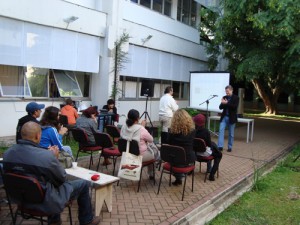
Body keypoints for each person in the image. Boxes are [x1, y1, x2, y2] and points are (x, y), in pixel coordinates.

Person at [3, 121, 101, 225]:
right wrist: (54, 159)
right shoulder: (45, 156)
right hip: (44, 200)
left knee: (47, 182)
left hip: (20, 198)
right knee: (83, 184)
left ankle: (54, 220)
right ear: (37, 136)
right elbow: (62, 178)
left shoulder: (8, 153)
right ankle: (87, 221)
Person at [120, 109, 159, 179]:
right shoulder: (141, 129)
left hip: (126, 153)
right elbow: (151, 139)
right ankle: (152, 174)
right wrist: (142, 126)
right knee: (154, 151)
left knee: (150, 150)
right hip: (138, 156)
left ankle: (151, 172)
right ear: (138, 118)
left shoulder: (123, 127)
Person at [167, 109, 195, 186]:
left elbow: (168, 142)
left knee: (177, 155)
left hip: (173, 158)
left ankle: (178, 177)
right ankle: (180, 175)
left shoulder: (171, 131)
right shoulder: (192, 132)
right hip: (187, 158)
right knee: (188, 152)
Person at [193, 113, 223, 181]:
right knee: (219, 154)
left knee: (213, 146)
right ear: (203, 123)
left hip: (195, 154)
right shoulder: (206, 132)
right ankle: (211, 175)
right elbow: (209, 145)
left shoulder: (192, 131)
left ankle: (209, 169)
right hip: (204, 154)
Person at [218, 85, 239, 152]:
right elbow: (220, 107)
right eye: (226, 91)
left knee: (231, 134)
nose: (226, 93)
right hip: (224, 117)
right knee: (221, 131)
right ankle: (220, 146)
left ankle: (230, 147)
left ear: (231, 90)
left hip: (231, 118)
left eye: (228, 91)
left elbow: (234, 107)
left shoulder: (236, 98)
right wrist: (222, 103)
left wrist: (226, 103)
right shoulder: (224, 97)